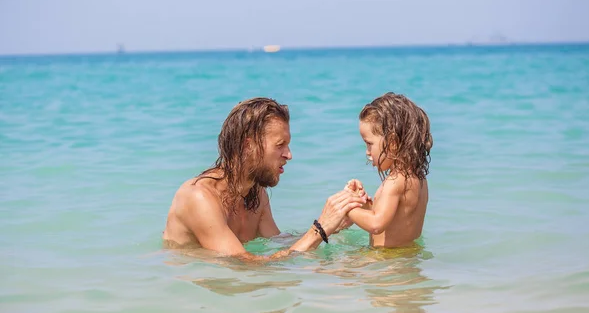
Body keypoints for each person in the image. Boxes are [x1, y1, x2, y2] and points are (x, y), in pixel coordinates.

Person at [162, 97, 366, 261]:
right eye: (280, 145)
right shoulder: (199, 197)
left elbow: (278, 243)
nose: (289, 155)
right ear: (248, 146)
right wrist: (319, 229)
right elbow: (246, 263)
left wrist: (336, 223)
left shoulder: (255, 193)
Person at [345, 92, 433, 248]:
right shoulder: (418, 178)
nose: (367, 151)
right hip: (406, 258)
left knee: (333, 267)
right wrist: (363, 204)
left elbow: (376, 224)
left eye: (369, 144)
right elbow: (393, 218)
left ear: (392, 142)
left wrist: (347, 208)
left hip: (385, 262)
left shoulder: (395, 181)